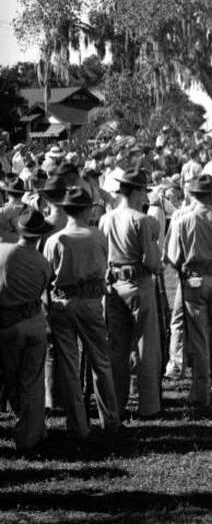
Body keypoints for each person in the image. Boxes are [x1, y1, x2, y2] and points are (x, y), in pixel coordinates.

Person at [44, 186, 119, 438]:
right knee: (101, 362)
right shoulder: (98, 236)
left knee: (68, 365)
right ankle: (110, 420)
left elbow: (47, 276)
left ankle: (78, 425)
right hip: (90, 302)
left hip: (62, 303)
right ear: (87, 210)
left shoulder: (54, 240)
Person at [166, 174, 212, 407]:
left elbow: (173, 257)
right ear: (211, 195)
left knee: (199, 339)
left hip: (194, 280)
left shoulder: (182, 220)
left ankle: (199, 392)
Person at [99, 167, 164, 421]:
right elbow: (150, 260)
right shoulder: (143, 220)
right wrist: (158, 264)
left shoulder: (106, 218)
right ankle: (149, 406)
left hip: (113, 285)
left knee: (116, 347)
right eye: (143, 190)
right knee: (146, 346)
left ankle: (117, 404)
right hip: (139, 282)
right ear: (136, 192)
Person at [0, 208, 54, 453]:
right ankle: (31, 435)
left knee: (11, 380)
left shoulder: (2, 252)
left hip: (8, 325)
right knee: (32, 382)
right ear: (40, 236)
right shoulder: (43, 263)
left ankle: (29, 429)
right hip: (34, 322)